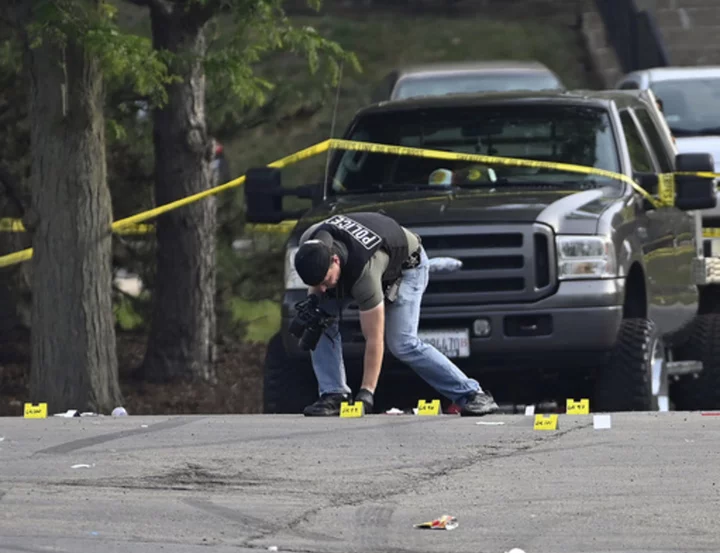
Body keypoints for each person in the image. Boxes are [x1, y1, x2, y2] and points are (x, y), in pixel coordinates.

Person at [292, 211, 499, 417]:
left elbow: (374, 339)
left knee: (402, 343)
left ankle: (472, 394)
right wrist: (315, 304)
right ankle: (333, 394)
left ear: (335, 260)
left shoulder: (364, 273)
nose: (324, 289)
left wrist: (366, 393)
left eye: (325, 280)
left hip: (407, 267)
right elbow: (319, 287)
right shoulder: (310, 245)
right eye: (316, 284)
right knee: (317, 319)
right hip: (366, 260)